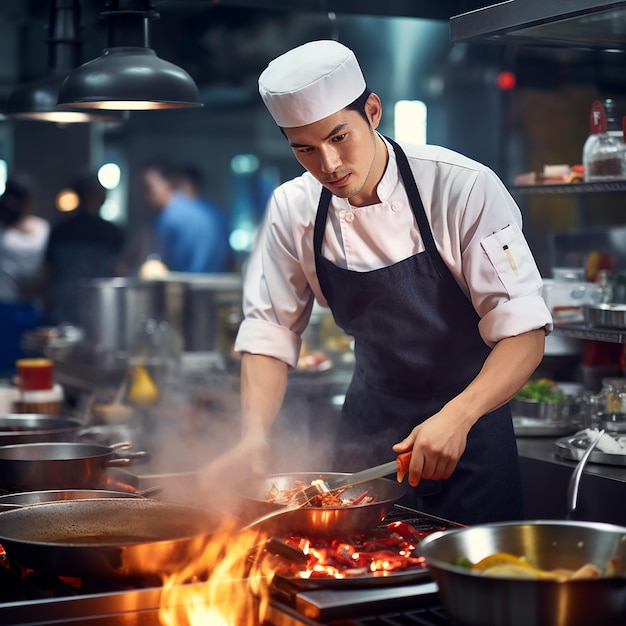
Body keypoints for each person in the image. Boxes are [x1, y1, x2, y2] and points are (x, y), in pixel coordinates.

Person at [207, 40, 553, 526]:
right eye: (304, 148)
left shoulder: (461, 187)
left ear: (372, 111)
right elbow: (270, 332)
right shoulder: (294, 208)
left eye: (339, 137)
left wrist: (457, 416)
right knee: (350, 573)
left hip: (469, 424)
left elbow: (524, 332)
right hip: (367, 430)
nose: (327, 164)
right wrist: (253, 437)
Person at [43, 171, 124, 325]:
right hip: (100, 311)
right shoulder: (111, 231)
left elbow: (46, 276)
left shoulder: (59, 230)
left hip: (63, 312)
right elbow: (118, 271)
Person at [140, 158, 230, 274]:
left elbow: (165, 266)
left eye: (148, 188)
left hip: (188, 287)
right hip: (217, 285)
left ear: (169, 183)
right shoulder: (213, 211)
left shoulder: (168, 218)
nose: (144, 196)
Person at [0, 171, 49, 374]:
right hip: (5, 304)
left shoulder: (43, 228)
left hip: (34, 306)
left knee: (34, 365)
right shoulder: (2, 228)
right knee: (7, 368)